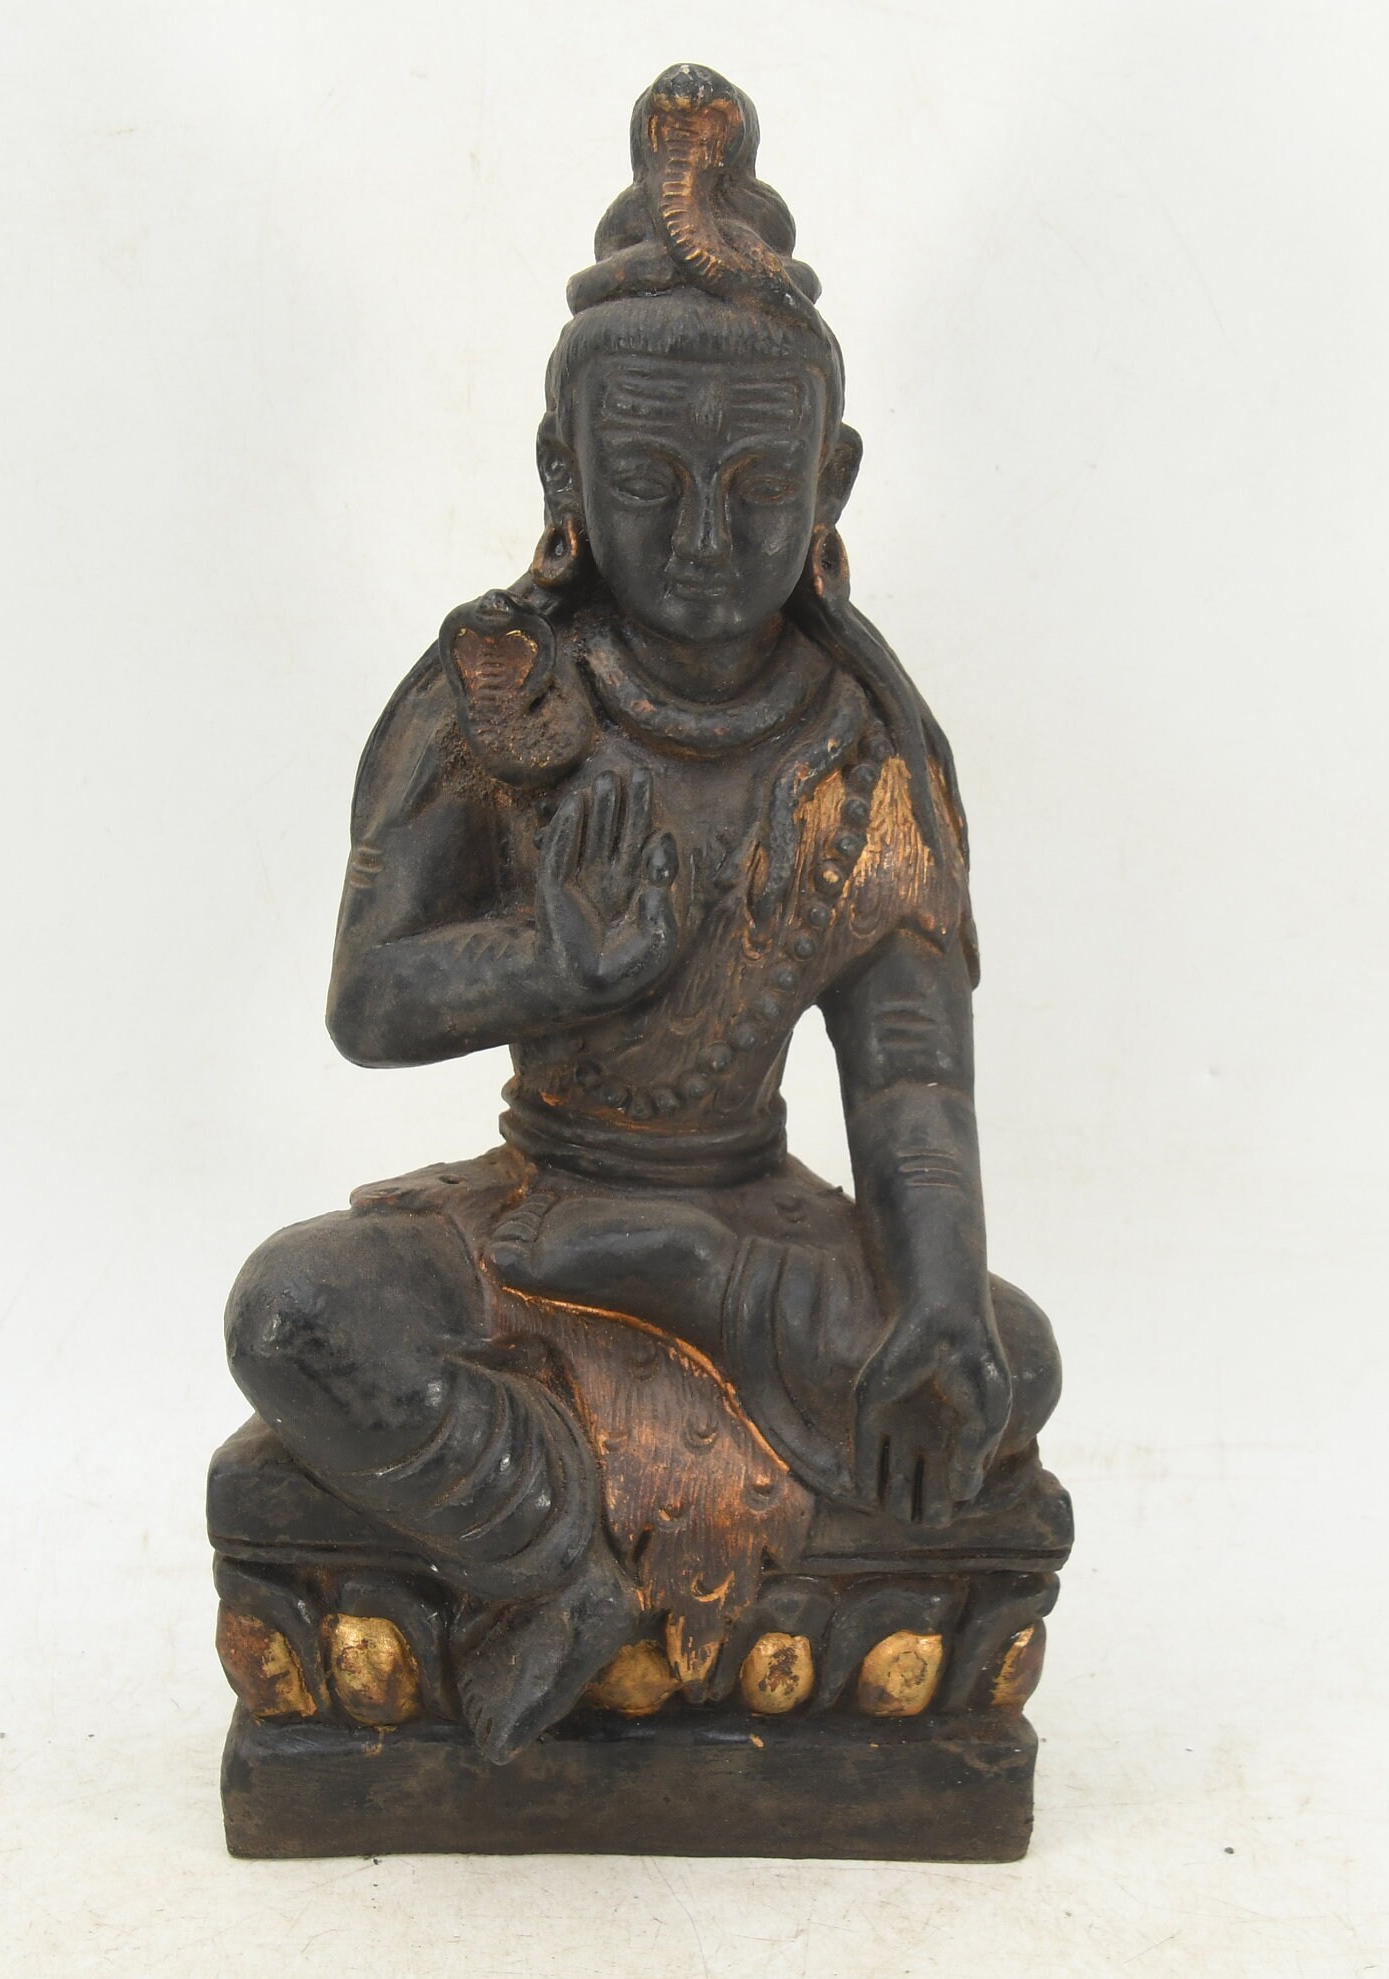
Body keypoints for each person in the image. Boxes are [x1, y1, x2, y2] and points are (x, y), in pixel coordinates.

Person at [226, 64, 1058, 1763]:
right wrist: (551, 961)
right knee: (296, 1315)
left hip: (747, 1231)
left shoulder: (859, 746)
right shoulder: (499, 701)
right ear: (562, 465)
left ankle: (666, 1312)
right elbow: (369, 1001)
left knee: (1011, 1359)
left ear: (831, 481)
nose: (699, 535)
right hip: (534, 1215)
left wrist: (937, 1304)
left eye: (755, 486)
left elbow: (909, 1080)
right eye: (648, 475)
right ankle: (550, 1567)